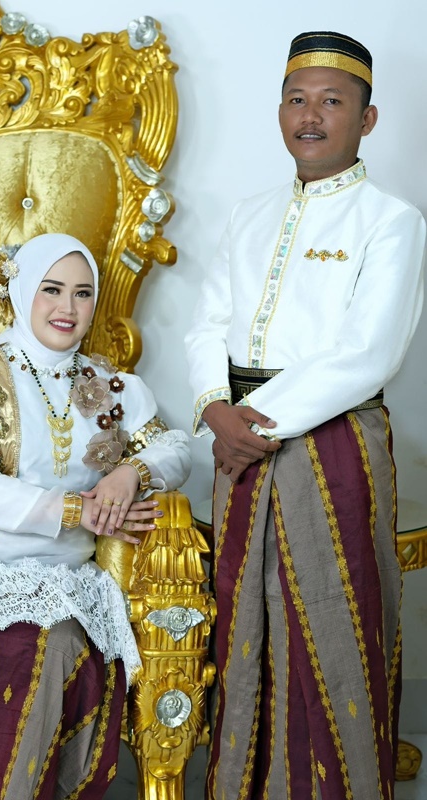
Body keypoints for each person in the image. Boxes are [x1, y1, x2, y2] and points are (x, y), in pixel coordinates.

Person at [185, 31, 426, 800]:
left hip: (333, 442)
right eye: (296, 99)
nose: (310, 116)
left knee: (330, 621)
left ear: (367, 119)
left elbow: (366, 352)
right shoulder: (248, 215)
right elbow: (206, 323)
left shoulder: (390, 221)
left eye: (331, 102)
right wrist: (211, 406)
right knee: (242, 619)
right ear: (279, 111)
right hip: (236, 439)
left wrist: (249, 424)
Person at [0, 232, 191, 799]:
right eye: (51, 289)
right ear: (21, 291)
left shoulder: (112, 387)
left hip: (60, 576)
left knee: (54, 652)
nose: (67, 308)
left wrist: (132, 473)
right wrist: (81, 509)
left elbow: (176, 449)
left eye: (83, 293)